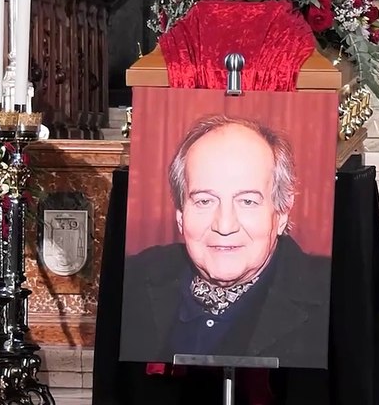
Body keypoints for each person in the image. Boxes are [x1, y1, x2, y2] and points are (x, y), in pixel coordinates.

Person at [120, 115, 332, 369]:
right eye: (204, 201)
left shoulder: (331, 301)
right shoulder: (131, 281)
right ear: (180, 215)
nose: (224, 225)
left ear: (282, 212)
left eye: (248, 201)